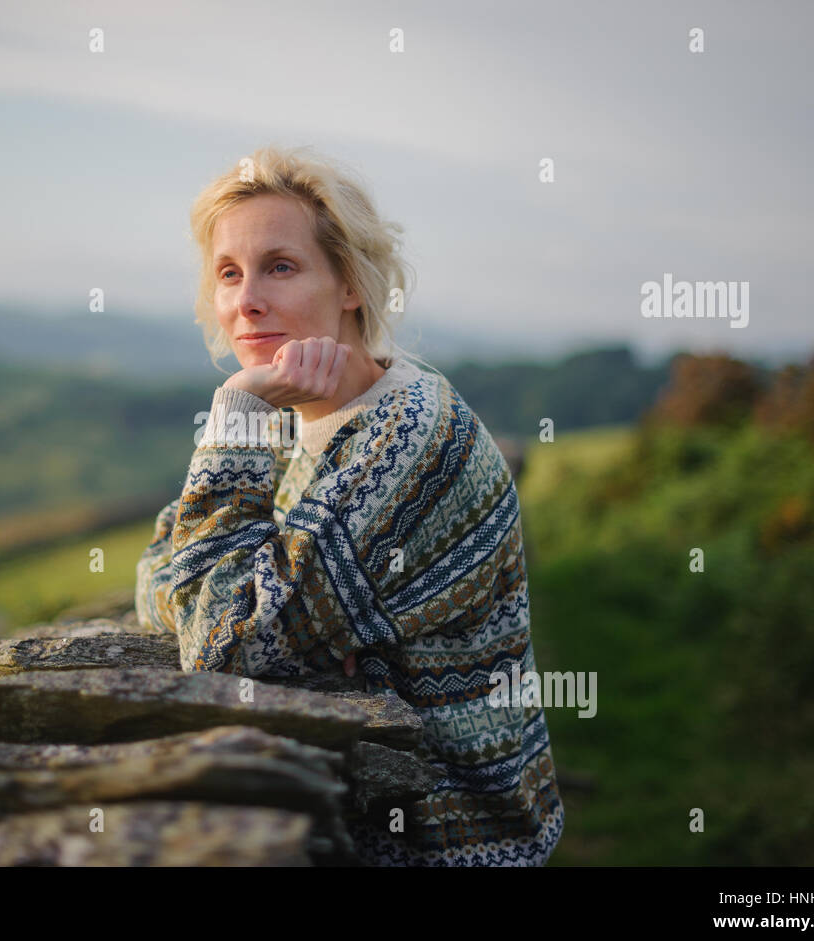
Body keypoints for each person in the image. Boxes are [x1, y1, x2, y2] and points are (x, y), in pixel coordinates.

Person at [135, 144, 564, 866]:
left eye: (281, 265)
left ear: (350, 285)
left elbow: (220, 643)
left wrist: (236, 412)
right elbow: (155, 576)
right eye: (228, 274)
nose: (246, 300)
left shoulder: (404, 437)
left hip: (445, 841)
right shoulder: (307, 414)